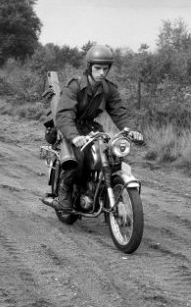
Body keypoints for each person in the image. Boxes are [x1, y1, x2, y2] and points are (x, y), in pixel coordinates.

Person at [52, 44, 143, 211]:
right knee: (77, 159)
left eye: (105, 68)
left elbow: (119, 112)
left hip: (91, 128)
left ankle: (102, 191)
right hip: (71, 128)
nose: (101, 72)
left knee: (111, 156)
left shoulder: (108, 89)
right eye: (97, 68)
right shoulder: (74, 86)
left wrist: (131, 131)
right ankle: (64, 192)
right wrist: (74, 137)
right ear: (89, 67)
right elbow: (64, 115)